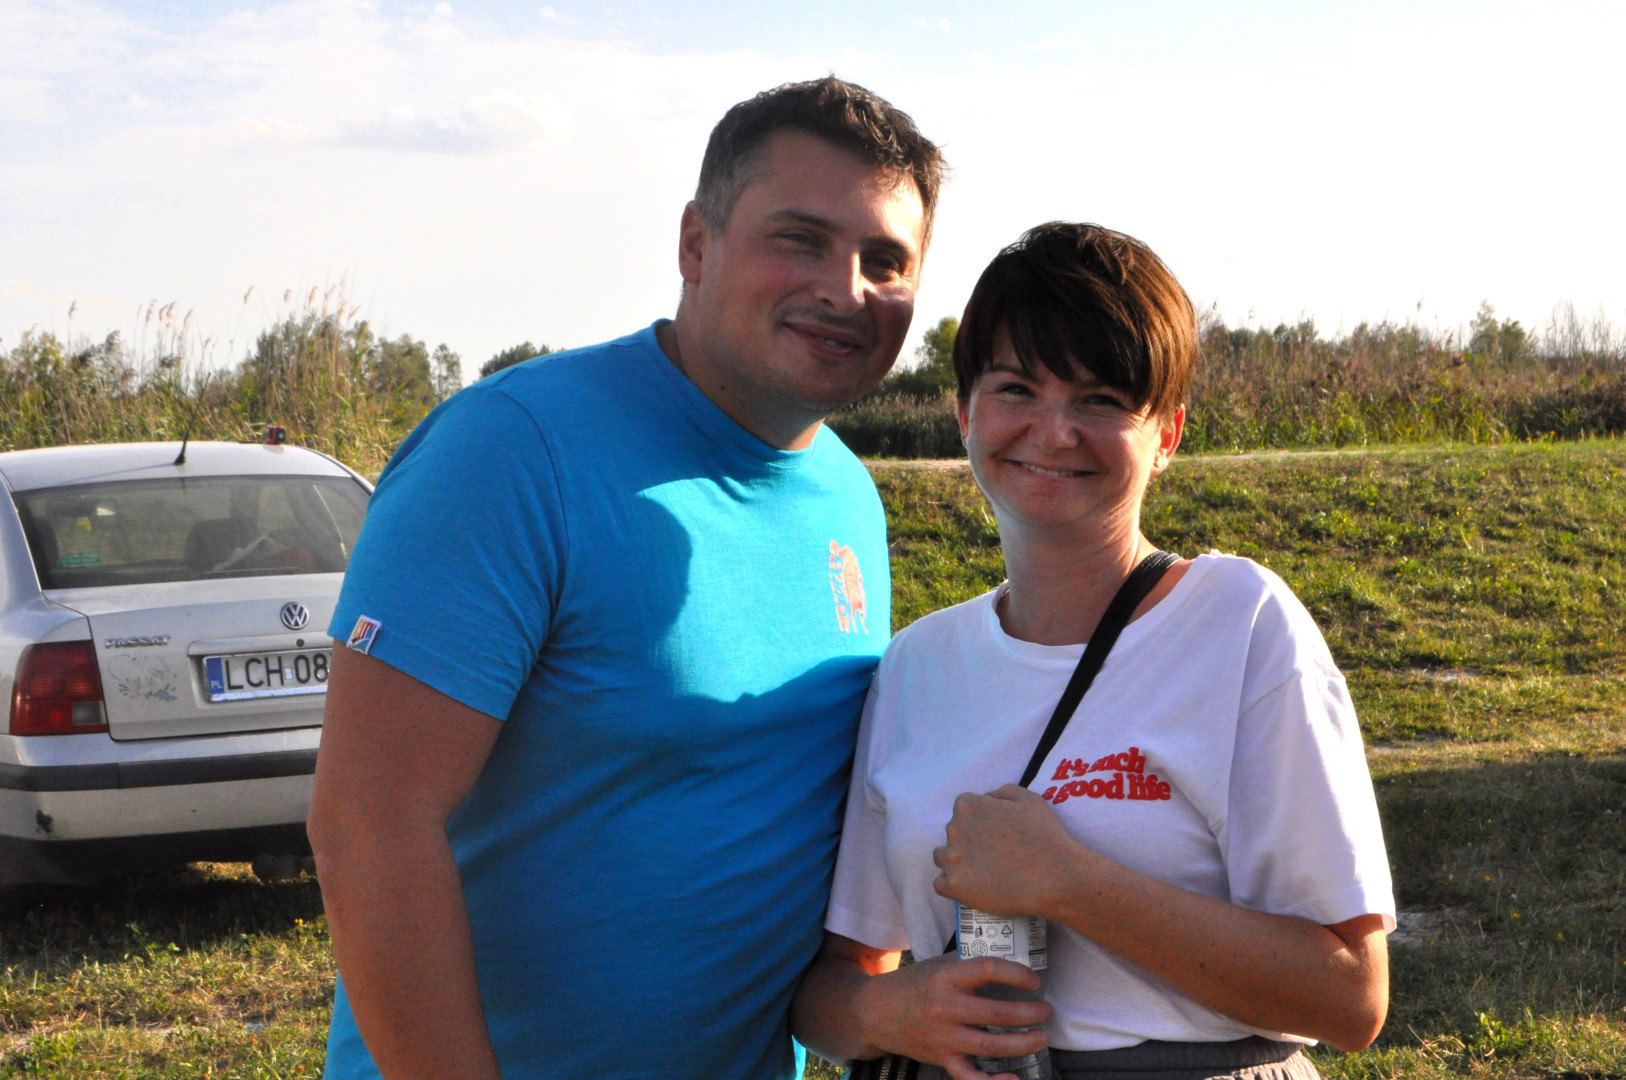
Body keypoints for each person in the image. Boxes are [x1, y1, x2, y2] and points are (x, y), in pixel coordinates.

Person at [307, 76, 945, 1080]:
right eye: (801, 240)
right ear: (696, 243)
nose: (846, 289)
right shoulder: (512, 450)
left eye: (886, 261)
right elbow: (369, 825)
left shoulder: (848, 498)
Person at [791, 222, 1394, 1080]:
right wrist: (896, 1011)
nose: (1054, 431)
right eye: (1016, 388)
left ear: (1168, 435)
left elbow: (1350, 997)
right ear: (964, 413)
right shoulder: (917, 666)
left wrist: (1069, 882)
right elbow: (834, 988)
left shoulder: (1239, 622)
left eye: (1102, 400)